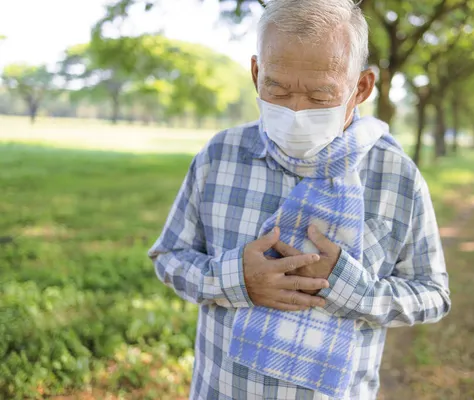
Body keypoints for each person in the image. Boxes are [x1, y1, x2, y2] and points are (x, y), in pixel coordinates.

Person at [148, 0, 451, 398]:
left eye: (319, 96)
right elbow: (169, 256)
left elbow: (432, 294)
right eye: (277, 87)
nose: (294, 110)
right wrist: (236, 279)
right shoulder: (219, 156)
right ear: (257, 73)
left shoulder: (396, 177)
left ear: (360, 88)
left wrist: (349, 288)